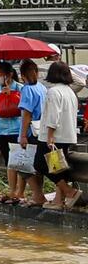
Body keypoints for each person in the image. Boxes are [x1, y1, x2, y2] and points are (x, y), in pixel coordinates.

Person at [39, 60, 80, 210]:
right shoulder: (70, 92)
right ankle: (58, 199)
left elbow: (53, 116)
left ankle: (69, 191)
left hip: (53, 136)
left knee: (41, 163)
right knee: (58, 167)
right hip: (67, 135)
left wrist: (49, 136)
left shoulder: (54, 91)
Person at [0, 63, 27, 205]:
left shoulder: (21, 89)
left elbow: (25, 110)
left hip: (17, 129)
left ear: (9, 74)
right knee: (9, 161)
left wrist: (12, 97)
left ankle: (21, 192)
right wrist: (1, 99)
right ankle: (12, 190)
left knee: (20, 161)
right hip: (1, 130)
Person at [16, 59, 51, 207]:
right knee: (38, 167)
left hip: (31, 131)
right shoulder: (42, 88)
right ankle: (39, 194)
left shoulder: (26, 90)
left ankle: (38, 195)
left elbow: (26, 114)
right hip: (42, 130)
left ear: (22, 75)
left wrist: (23, 135)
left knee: (23, 165)